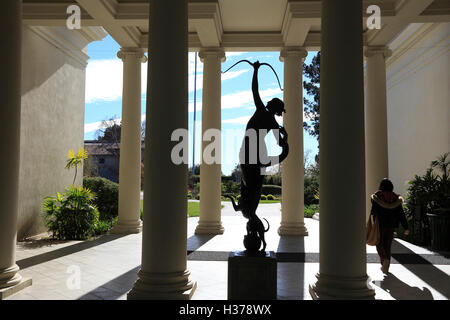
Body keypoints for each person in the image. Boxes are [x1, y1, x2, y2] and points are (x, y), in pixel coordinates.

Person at [370, 178, 409, 275]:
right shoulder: (396, 198)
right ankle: (386, 266)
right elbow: (401, 214)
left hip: (380, 225)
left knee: (379, 243)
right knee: (387, 245)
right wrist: (406, 227)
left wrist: (372, 221)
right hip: (391, 225)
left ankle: (384, 260)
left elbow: (373, 212)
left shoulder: (377, 196)